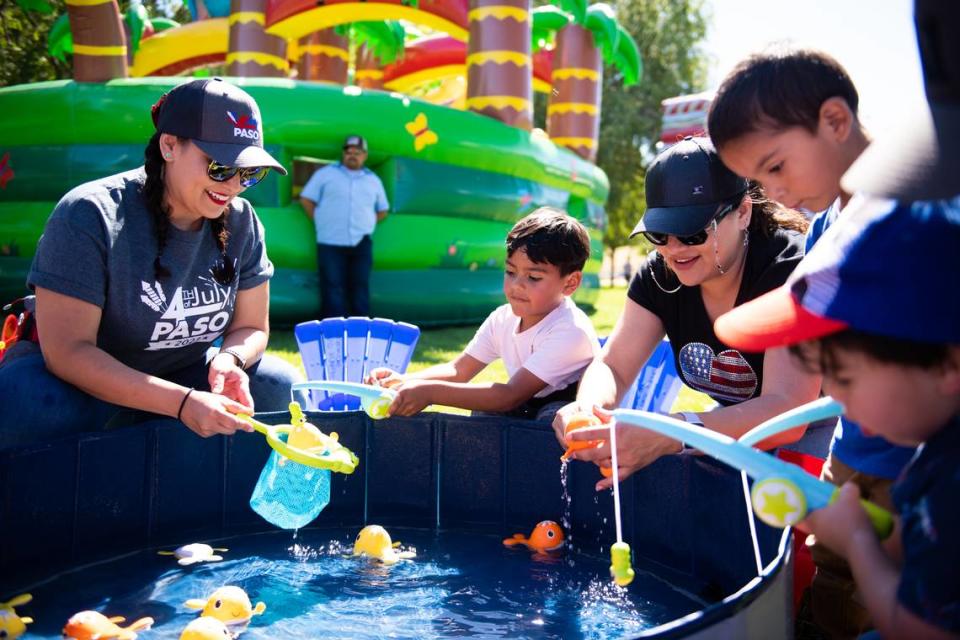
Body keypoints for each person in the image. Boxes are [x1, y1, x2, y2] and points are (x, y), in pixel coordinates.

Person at [708, 48, 916, 639]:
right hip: (856, 446)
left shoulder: (918, 210)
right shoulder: (827, 225)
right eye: (759, 179)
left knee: (906, 594)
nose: (775, 191)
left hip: (925, 459)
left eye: (777, 166)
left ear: (834, 121)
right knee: (835, 584)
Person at [0, 78, 303, 449]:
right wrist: (181, 403)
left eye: (250, 172)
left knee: (279, 386)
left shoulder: (241, 220)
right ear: (169, 146)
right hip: (77, 384)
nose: (235, 185)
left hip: (184, 374)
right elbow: (68, 352)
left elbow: (252, 326)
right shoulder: (89, 213)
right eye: (221, 167)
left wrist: (230, 361)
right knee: (29, 400)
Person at [714, 197, 960, 640]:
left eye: (845, 378)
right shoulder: (933, 458)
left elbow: (918, 629)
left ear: (947, 366)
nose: (835, 402)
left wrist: (858, 543)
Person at [557, 137, 821, 490]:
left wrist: (672, 431)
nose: (674, 249)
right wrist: (587, 411)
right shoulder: (660, 275)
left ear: (743, 212)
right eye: (660, 234)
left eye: (693, 231)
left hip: (827, 432)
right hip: (735, 427)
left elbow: (787, 412)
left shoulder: (788, 268)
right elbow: (614, 366)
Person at [366, 207, 599, 421]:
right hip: (525, 403)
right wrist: (403, 381)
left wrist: (429, 393)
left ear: (570, 283)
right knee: (485, 410)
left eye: (534, 277)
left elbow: (510, 395)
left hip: (565, 410)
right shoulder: (502, 318)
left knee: (552, 419)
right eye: (510, 272)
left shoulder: (570, 330)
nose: (516, 285)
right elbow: (459, 370)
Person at [300, 135, 389, 318]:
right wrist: (320, 221)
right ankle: (333, 329)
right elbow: (306, 198)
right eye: (349, 152)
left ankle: (361, 328)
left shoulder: (373, 180)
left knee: (360, 285)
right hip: (329, 240)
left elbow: (383, 210)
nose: (352, 155)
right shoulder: (325, 174)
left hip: (361, 242)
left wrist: (368, 223)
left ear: (365, 155)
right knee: (332, 286)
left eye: (357, 152)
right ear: (343, 153)